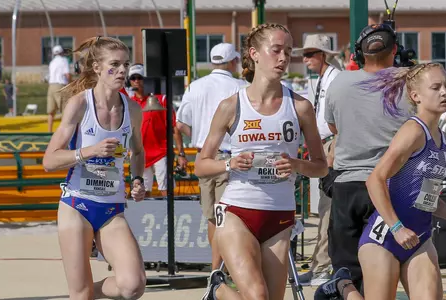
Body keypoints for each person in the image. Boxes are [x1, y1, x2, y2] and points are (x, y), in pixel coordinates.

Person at [315, 63, 446, 300]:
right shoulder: (412, 131)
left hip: (419, 237)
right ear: (416, 96)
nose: (444, 92)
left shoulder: (445, 141)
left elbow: (426, 198)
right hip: (385, 237)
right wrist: (397, 227)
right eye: (435, 87)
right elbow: (375, 180)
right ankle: (342, 286)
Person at [195, 23, 328, 300]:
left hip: (279, 215)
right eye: (276, 50)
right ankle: (218, 288)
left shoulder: (300, 107)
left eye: (288, 52)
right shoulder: (231, 105)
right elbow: (201, 165)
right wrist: (230, 163)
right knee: (257, 295)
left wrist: (295, 164)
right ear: (254, 54)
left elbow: (321, 166)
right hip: (237, 211)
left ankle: (218, 289)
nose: (283, 58)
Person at [42, 36, 147, 299]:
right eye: (114, 65)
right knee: (80, 294)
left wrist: (137, 181)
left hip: (111, 207)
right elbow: (49, 160)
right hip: (77, 205)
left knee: (133, 285)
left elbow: (138, 151)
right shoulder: (80, 104)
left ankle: (90, 291)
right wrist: (89, 152)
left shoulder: (132, 109)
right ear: (98, 68)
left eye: (126, 64)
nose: (122, 71)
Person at [321, 24, 409, 294]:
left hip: (347, 186)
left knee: (346, 271)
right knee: (383, 272)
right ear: (394, 50)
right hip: (389, 186)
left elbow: (333, 128)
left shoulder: (340, 82)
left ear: (359, 54)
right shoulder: (409, 81)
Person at [177, 42, 246, 270]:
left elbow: (180, 124)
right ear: (232, 61)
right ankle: (224, 270)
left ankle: (217, 270)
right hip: (230, 156)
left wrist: (201, 138)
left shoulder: (195, 86)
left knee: (212, 218)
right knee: (227, 217)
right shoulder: (241, 86)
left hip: (202, 156)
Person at [292, 33, 341, 285]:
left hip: (331, 147)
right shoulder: (324, 79)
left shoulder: (334, 80)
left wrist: (330, 156)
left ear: (323, 55)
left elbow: (340, 122)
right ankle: (320, 265)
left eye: (310, 53)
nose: (305, 58)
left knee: (327, 211)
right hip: (324, 147)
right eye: (304, 53)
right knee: (324, 211)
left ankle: (323, 267)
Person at [128, 63, 188, 197]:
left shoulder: (161, 99)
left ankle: (171, 218)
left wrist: (181, 154)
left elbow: (174, 127)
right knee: (143, 193)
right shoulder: (129, 103)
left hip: (161, 153)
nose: (136, 81)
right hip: (140, 154)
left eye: (140, 77)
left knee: (166, 191)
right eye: (133, 78)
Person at [47, 45, 72, 132]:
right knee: (64, 110)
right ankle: (64, 132)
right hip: (60, 85)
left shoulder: (52, 62)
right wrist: (71, 83)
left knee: (51, 111)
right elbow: (67, 74)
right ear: (62, 52)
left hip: (51, 86)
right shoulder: (64, 60)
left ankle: (49, 131)